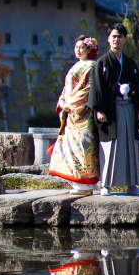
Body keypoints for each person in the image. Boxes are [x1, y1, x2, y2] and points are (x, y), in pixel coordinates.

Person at [87, 23, 139, 195]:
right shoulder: (101, 63)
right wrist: (99, 109)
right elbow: (97, 89)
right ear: (108, 39)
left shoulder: (130, 63)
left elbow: (138, 85)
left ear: (124, 39)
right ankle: (105, 185)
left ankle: (132, 184)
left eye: (120, 36)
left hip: (129, 108)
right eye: (113, 36)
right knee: (110, 146)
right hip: (110, 111)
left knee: (131, 145)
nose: (116, 39)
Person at [48, 35, 100, 189]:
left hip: (82, 113)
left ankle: (86, 184)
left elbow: (87, 90)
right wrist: (63, 101)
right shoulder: (76, 66)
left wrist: (69, 104)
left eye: (81, 47)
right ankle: (75, 182)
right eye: (76, 47)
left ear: (89, 49)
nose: (78, 50)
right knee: (69, 147)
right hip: (71, 112)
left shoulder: (91, 66)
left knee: (83, 147)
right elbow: (67, 89)